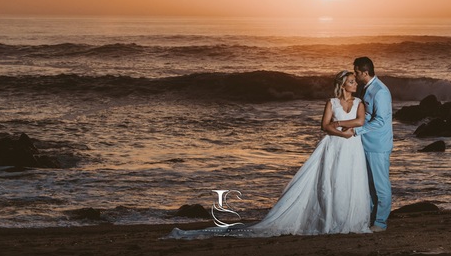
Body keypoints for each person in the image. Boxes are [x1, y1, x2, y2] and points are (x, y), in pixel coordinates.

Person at [167, 70, 372, 239]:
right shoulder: (332, 103)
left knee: (350, 179)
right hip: (336, 144)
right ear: (343, 84)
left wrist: (339, 124)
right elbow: (324, 125)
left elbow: (360, 122)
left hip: (352, 147)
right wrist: (341, 133)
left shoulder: (358, 103)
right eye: (352, 82)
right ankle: (331, 217)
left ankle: (350, 218)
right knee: (332, 181)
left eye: (355, 81)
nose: (355, 85)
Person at [334, 57, 393, 232]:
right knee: (369, 185)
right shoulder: (367, 88)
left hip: (377, 145)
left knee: (381, 186)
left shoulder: (380, 91)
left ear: (365, 73)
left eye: (357, 72)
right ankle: (370, 218)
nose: (355, 75)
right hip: (366, 144)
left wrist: (356, 131)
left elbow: (380, 120)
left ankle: (381, 223)